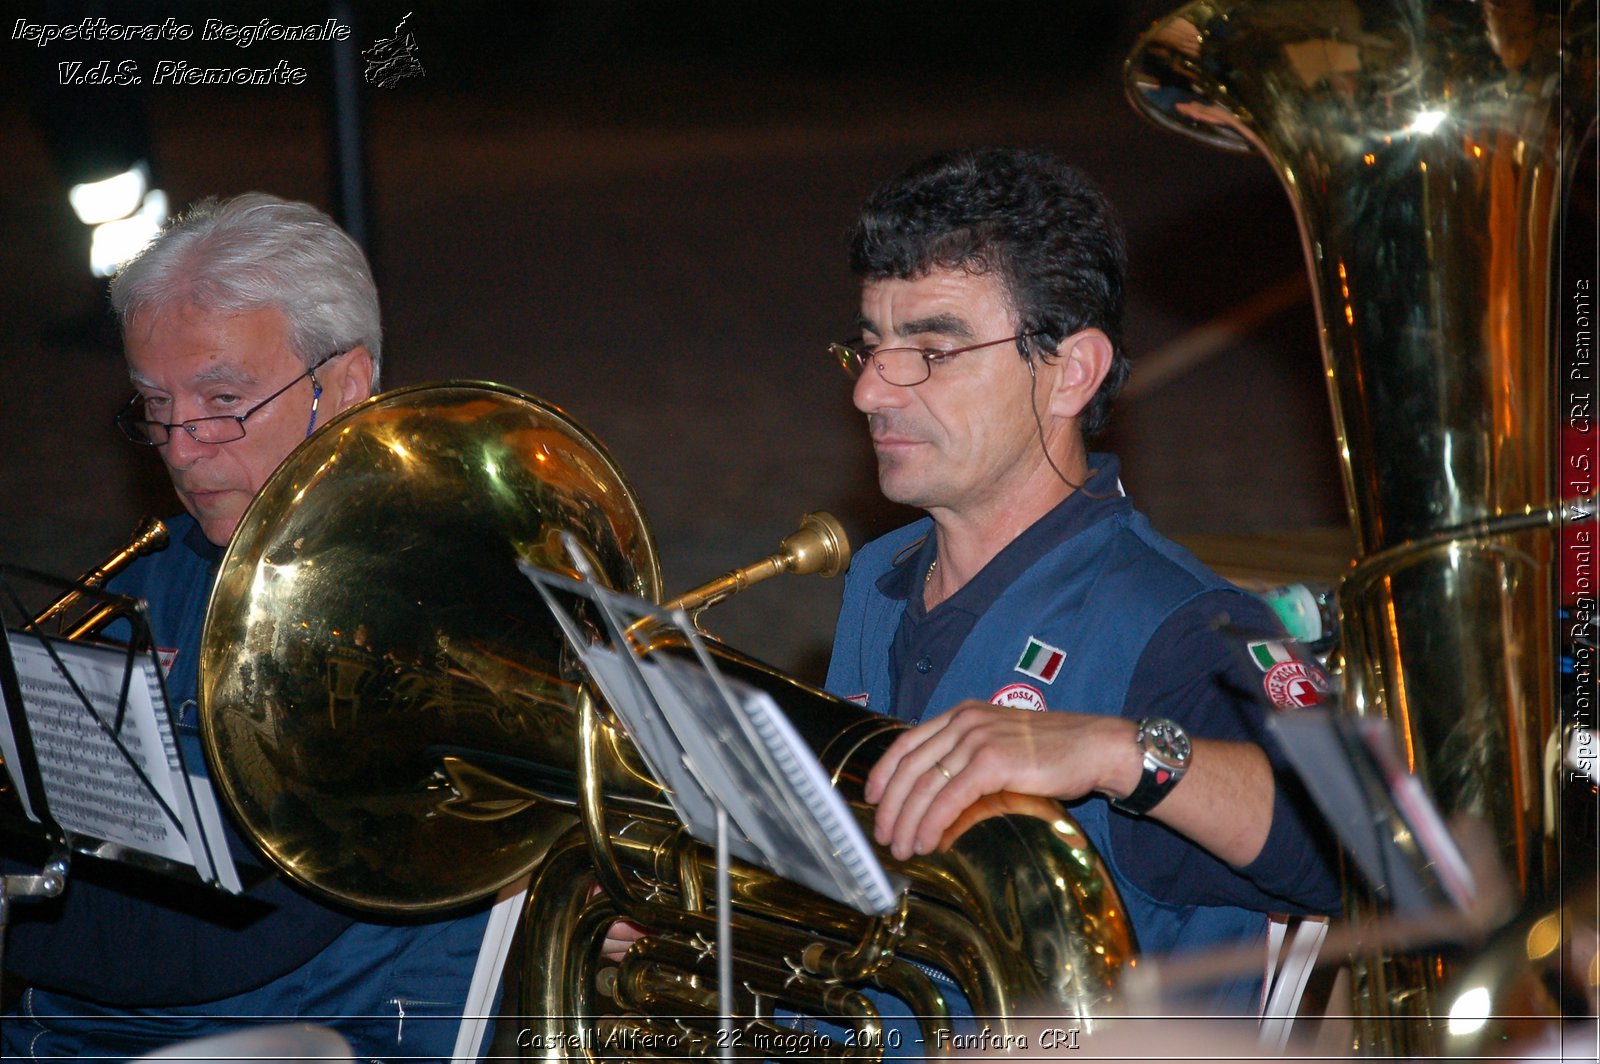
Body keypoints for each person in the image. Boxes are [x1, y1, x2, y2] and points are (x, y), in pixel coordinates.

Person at [826, 147, 1341, 1013]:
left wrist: (1116, 749)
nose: (872, 390)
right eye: (872, 346)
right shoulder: (882, 574)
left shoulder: (1185, 625)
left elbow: (1369, 846)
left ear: (1071, 371)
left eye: (932, 349)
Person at [2, 194, 493, 1060]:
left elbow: (237, 934)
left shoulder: (439, 619)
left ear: (344, 386)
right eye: (155, 406)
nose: (182, 448)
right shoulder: (154, 574)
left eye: (222, 399)